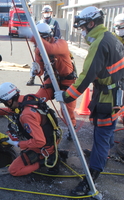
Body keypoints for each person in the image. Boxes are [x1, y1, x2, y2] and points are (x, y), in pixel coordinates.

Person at [54, 6, 124, 196]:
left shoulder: (99, 43)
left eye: (84, 27)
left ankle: (91, 179)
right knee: (108, 131)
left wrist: (67, 95)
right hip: (116, 94)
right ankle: (102, 155)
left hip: (106, 99)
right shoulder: (111, 38)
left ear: (92, 24)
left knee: (101, 136)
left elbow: (86, 76)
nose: (83, 31)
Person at [0, 82, 61, 176]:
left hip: (43, 147)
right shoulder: (27, 99)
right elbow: (16, 110)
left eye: (4, 103)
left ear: (9, 101)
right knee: (10, 134)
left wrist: (18, 144)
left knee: (14, 170)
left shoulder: (26, 116)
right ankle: (48, 153)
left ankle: (47, 160)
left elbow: (40, 142)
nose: (5, 105)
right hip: (51, 137)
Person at [31, 23, 77, 139]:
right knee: (37, 100)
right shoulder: (39, 50)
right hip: (52, 79)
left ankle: (72, 129)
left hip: (68, 81)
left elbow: (51, 49)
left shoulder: (61, 44)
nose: (41, 42)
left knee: (67, 110)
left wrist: (34, 37)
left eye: (44, 38)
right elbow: (41, 70)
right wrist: (37, 70)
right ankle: (38, 126)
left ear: (50, 36)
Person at [27, 4, 61, 86]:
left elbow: (58, 35)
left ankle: (50, 80)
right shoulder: (39, 22)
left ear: (51, 13)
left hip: (51, 46)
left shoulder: (55, 23)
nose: (46, 13)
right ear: (42, 13)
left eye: (48, 12)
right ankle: (32, 78)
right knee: (36, 63)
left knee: (51, 63)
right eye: (45, 12)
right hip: (39, 46)